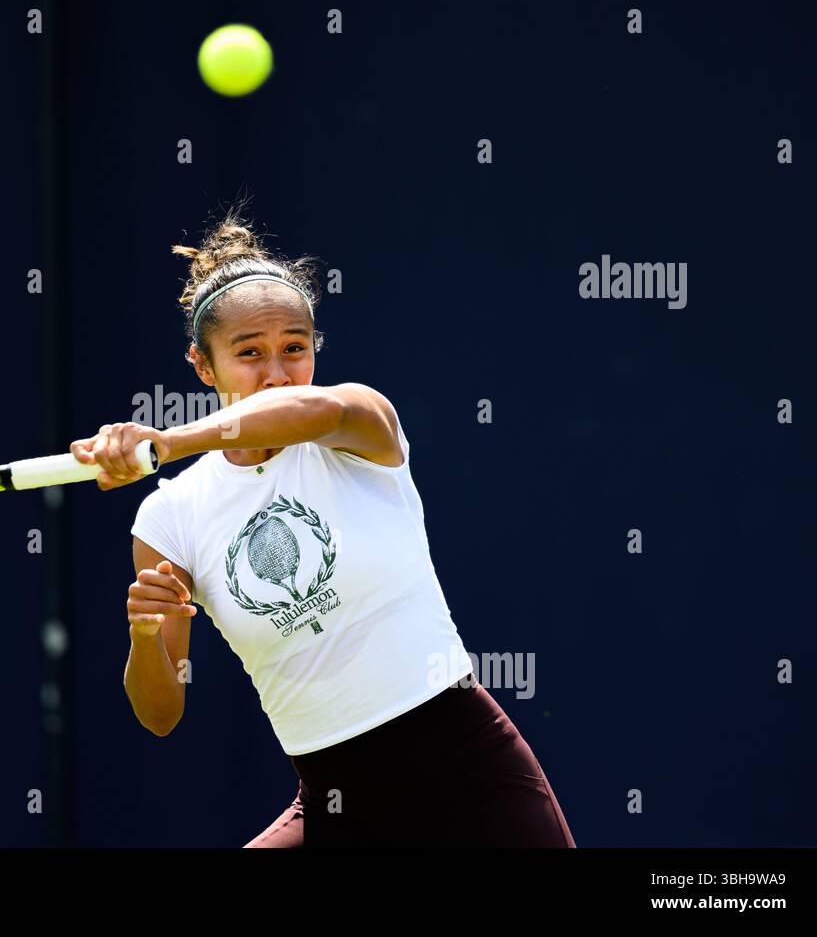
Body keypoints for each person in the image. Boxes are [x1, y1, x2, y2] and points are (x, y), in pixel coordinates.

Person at [70, 207, 575, 847]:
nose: (276, 372)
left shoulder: (360, 426)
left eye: (294, 349)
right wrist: (145, 635)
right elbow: (161, 714)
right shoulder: (170, 517)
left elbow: (307, 408)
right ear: (203, 367)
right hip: (337, 803)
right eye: (248, 353)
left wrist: (167, 439)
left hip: (467, 772)